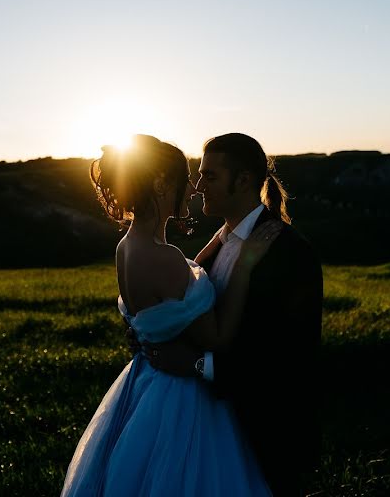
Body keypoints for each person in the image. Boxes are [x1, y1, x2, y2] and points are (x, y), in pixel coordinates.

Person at [61, 134, 282, 496]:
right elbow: (216, 338)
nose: (193, 190)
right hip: (179, 396)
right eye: (186, 181)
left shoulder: (127, 248)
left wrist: (223, 238)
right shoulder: (164, 259)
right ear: (163, 184)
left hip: (145, 382)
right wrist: (244, 265)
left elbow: (161, 298)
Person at [143, 133, 324, 497]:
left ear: (242, 181)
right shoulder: (216, 246)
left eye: (209, 176)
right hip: (208, 430)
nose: (196, 186)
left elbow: (290, 357)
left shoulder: (288, 251)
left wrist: (197, 365)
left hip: (266, 433)